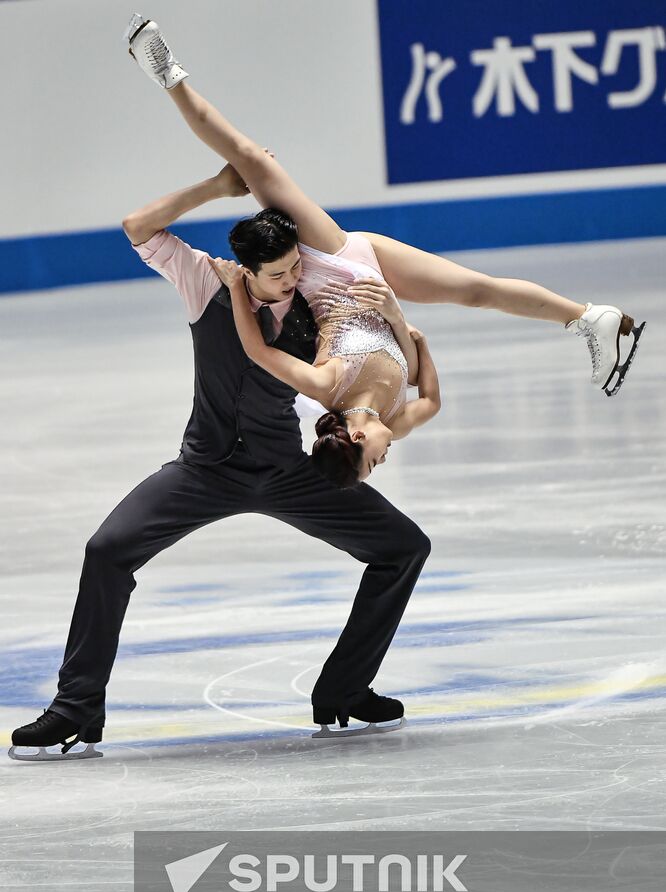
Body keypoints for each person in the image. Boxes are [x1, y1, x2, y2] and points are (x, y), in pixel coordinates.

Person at [8, 159, 432, 760]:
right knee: (106, 551)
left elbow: (394, 362)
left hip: (288, 469)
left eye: (295, 269)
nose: (292, 280)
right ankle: (75, 709)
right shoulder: (206, 282)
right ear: (248, 271)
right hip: (203, 470)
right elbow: (137, 226)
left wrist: (393, 319)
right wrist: (215, 187)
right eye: (279, 274)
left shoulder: (316, 306)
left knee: (403, 547)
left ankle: (344, 688)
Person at [123, 13, 645, 481]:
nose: (384, 457)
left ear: (353, 441)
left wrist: (239, 284)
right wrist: (395, 315)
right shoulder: (396, 418)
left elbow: (258, 352)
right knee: (477, 291)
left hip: (329, 269)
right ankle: (587, 317)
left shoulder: (326, 387)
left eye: (372, 459)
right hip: (370, 282)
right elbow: (423, 375)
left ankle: (167, 73)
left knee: (248, 157)